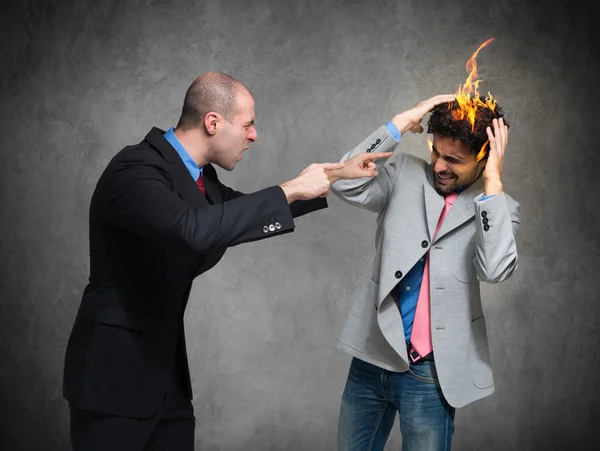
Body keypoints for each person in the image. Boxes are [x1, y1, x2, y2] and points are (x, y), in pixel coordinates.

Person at [62, 71, 388, 451]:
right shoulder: (135, 169)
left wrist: (336, 174)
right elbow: (193, 230)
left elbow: (241, 212)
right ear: (212, 122)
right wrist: (290, 189)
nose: (254, 136)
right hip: (112, 378)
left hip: (164, 379)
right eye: (248, 125)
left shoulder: (202, 181)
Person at [328, 94, 520, 450]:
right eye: (436, 152)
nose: (439, 166)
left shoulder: (499, 208)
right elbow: (342, 181)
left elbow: (494, 271)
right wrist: (399, 122)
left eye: (453, 160)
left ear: (483, 158)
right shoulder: (404, 173)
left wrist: (493, 185)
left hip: (431, 374)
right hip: (373, 353)